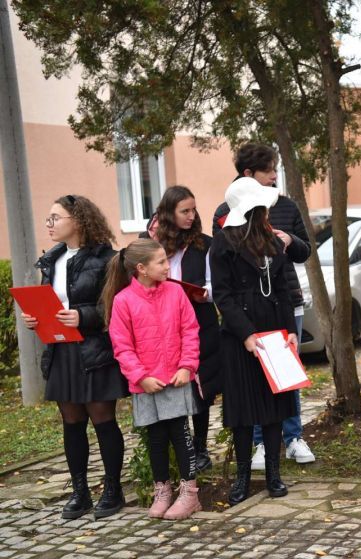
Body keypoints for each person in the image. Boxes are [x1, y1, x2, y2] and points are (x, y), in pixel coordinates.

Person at [22, 195, 128, 519]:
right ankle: (80, 492)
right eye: (48, 219)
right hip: (61, 351)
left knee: (103, 420)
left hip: (94, 351)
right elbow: (53, 302)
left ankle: (113, 490)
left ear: (78, 221)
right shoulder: (51, 260)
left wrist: (83, 317)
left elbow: (114, 307)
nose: (50, 225)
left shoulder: (108, 258)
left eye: (56, 218)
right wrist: (37, 318)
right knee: (72, 423)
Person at [212, 143, 314, 469]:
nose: (274, 176)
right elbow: (227, 276)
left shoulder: (286, 206)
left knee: (285, 375)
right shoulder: (225, 216)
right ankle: (258, 445)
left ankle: (293, 437)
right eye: (268, 170)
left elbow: (303, 250)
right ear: (248, 175)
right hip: (247, 314)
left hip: (283, 305)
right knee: (253, 382)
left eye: (275, 169)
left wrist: (287, 241)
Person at [209, 176, 299, 505]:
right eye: (263, 208)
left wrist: (290, 330)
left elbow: (285, 292)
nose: (268, 213)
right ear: (253, 210)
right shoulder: (222, 245)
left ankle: (273, 474)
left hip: (274, 335)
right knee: (244, 412)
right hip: (240, 340)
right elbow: (224, 296)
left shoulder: (274, 243)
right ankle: (243, 476)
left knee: (274, 408)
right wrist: (245, 334)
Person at [104, 238, 202, 519]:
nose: (167, 266)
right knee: (156, 439)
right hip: (146, 384)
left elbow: (190, 330)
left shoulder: (175, 292)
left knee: (181, 436)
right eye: (160, 262)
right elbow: (121, 346)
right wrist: (141, 377)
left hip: (177, 379)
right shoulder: (123, 301)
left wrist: (187, 366)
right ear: (141, 268)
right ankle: (163, 491)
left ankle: (190, 494)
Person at [148, 186, 222, 473]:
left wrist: (205, 293)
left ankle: (201, 447)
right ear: (168, 213)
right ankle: (181, 446)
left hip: (199, 320)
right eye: (184, 211)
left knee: (198, 387)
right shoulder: (154, 244)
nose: (191, 216)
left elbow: (217, 284)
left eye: (193, 210)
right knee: (169, 383)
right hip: (163, 327)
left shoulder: (205, 243)